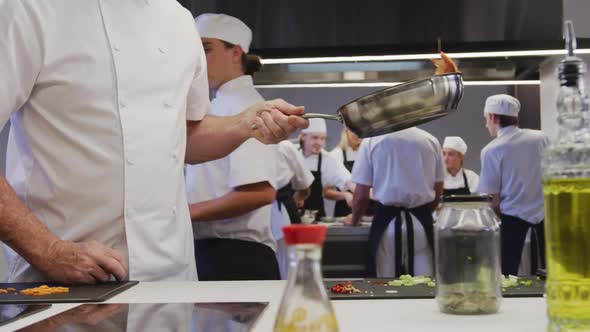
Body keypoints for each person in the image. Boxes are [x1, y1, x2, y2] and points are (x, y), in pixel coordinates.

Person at [0, 2, 307, 284]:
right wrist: (48, 249)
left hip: (169, 279)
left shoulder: (178, 20)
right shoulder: (30, 9)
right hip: (62, 283)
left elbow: (186, 137)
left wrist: (242, 124)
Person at [187, 13, 282, 281]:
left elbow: (258, 193)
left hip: (238, 256)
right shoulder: (217, 105)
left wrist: (182, 214)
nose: (198, 60)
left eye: (206, 49)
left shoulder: (245, 106)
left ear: (236, 52)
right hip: (214, 252)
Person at [345, 128, 445, 278]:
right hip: (421, 225)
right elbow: (438, 188)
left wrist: (354, 220)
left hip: (387, 225)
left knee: (384, 285)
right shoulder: (430, 140)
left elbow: (360, 196)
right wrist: (425, 213)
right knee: (425, 285)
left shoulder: (372, 140)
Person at [476, 94, 549, 276]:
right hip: (547, 225)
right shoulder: (542, 139)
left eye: (486, 119)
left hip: (511, 228)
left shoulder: (492, 150)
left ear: (493, 117)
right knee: (549, 280)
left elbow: (491, 200)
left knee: (509, 281)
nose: (486, 125)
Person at [271, 140, 314, 279]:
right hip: (282, 216)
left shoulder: (238, 141)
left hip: (249, 213)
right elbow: (304, 186)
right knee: (287, 270)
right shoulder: (284, 145)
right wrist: (298, 198)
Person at [299, 119, 352, 221]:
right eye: (315, 138)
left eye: (323, 139)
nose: (319, 143)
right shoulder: (292, 154)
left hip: (316, 217)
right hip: (291, 214)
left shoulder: (328, 160)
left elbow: (347, 180)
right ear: (303, 136)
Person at [326, 128, 362, 217]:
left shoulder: (370, 154)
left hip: (371, 210)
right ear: (346, 132)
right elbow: (327, 191)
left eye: (361, 131)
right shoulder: (336, 155)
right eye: (354, 131)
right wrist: (345, 195)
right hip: (345, 211)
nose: (358, 135)